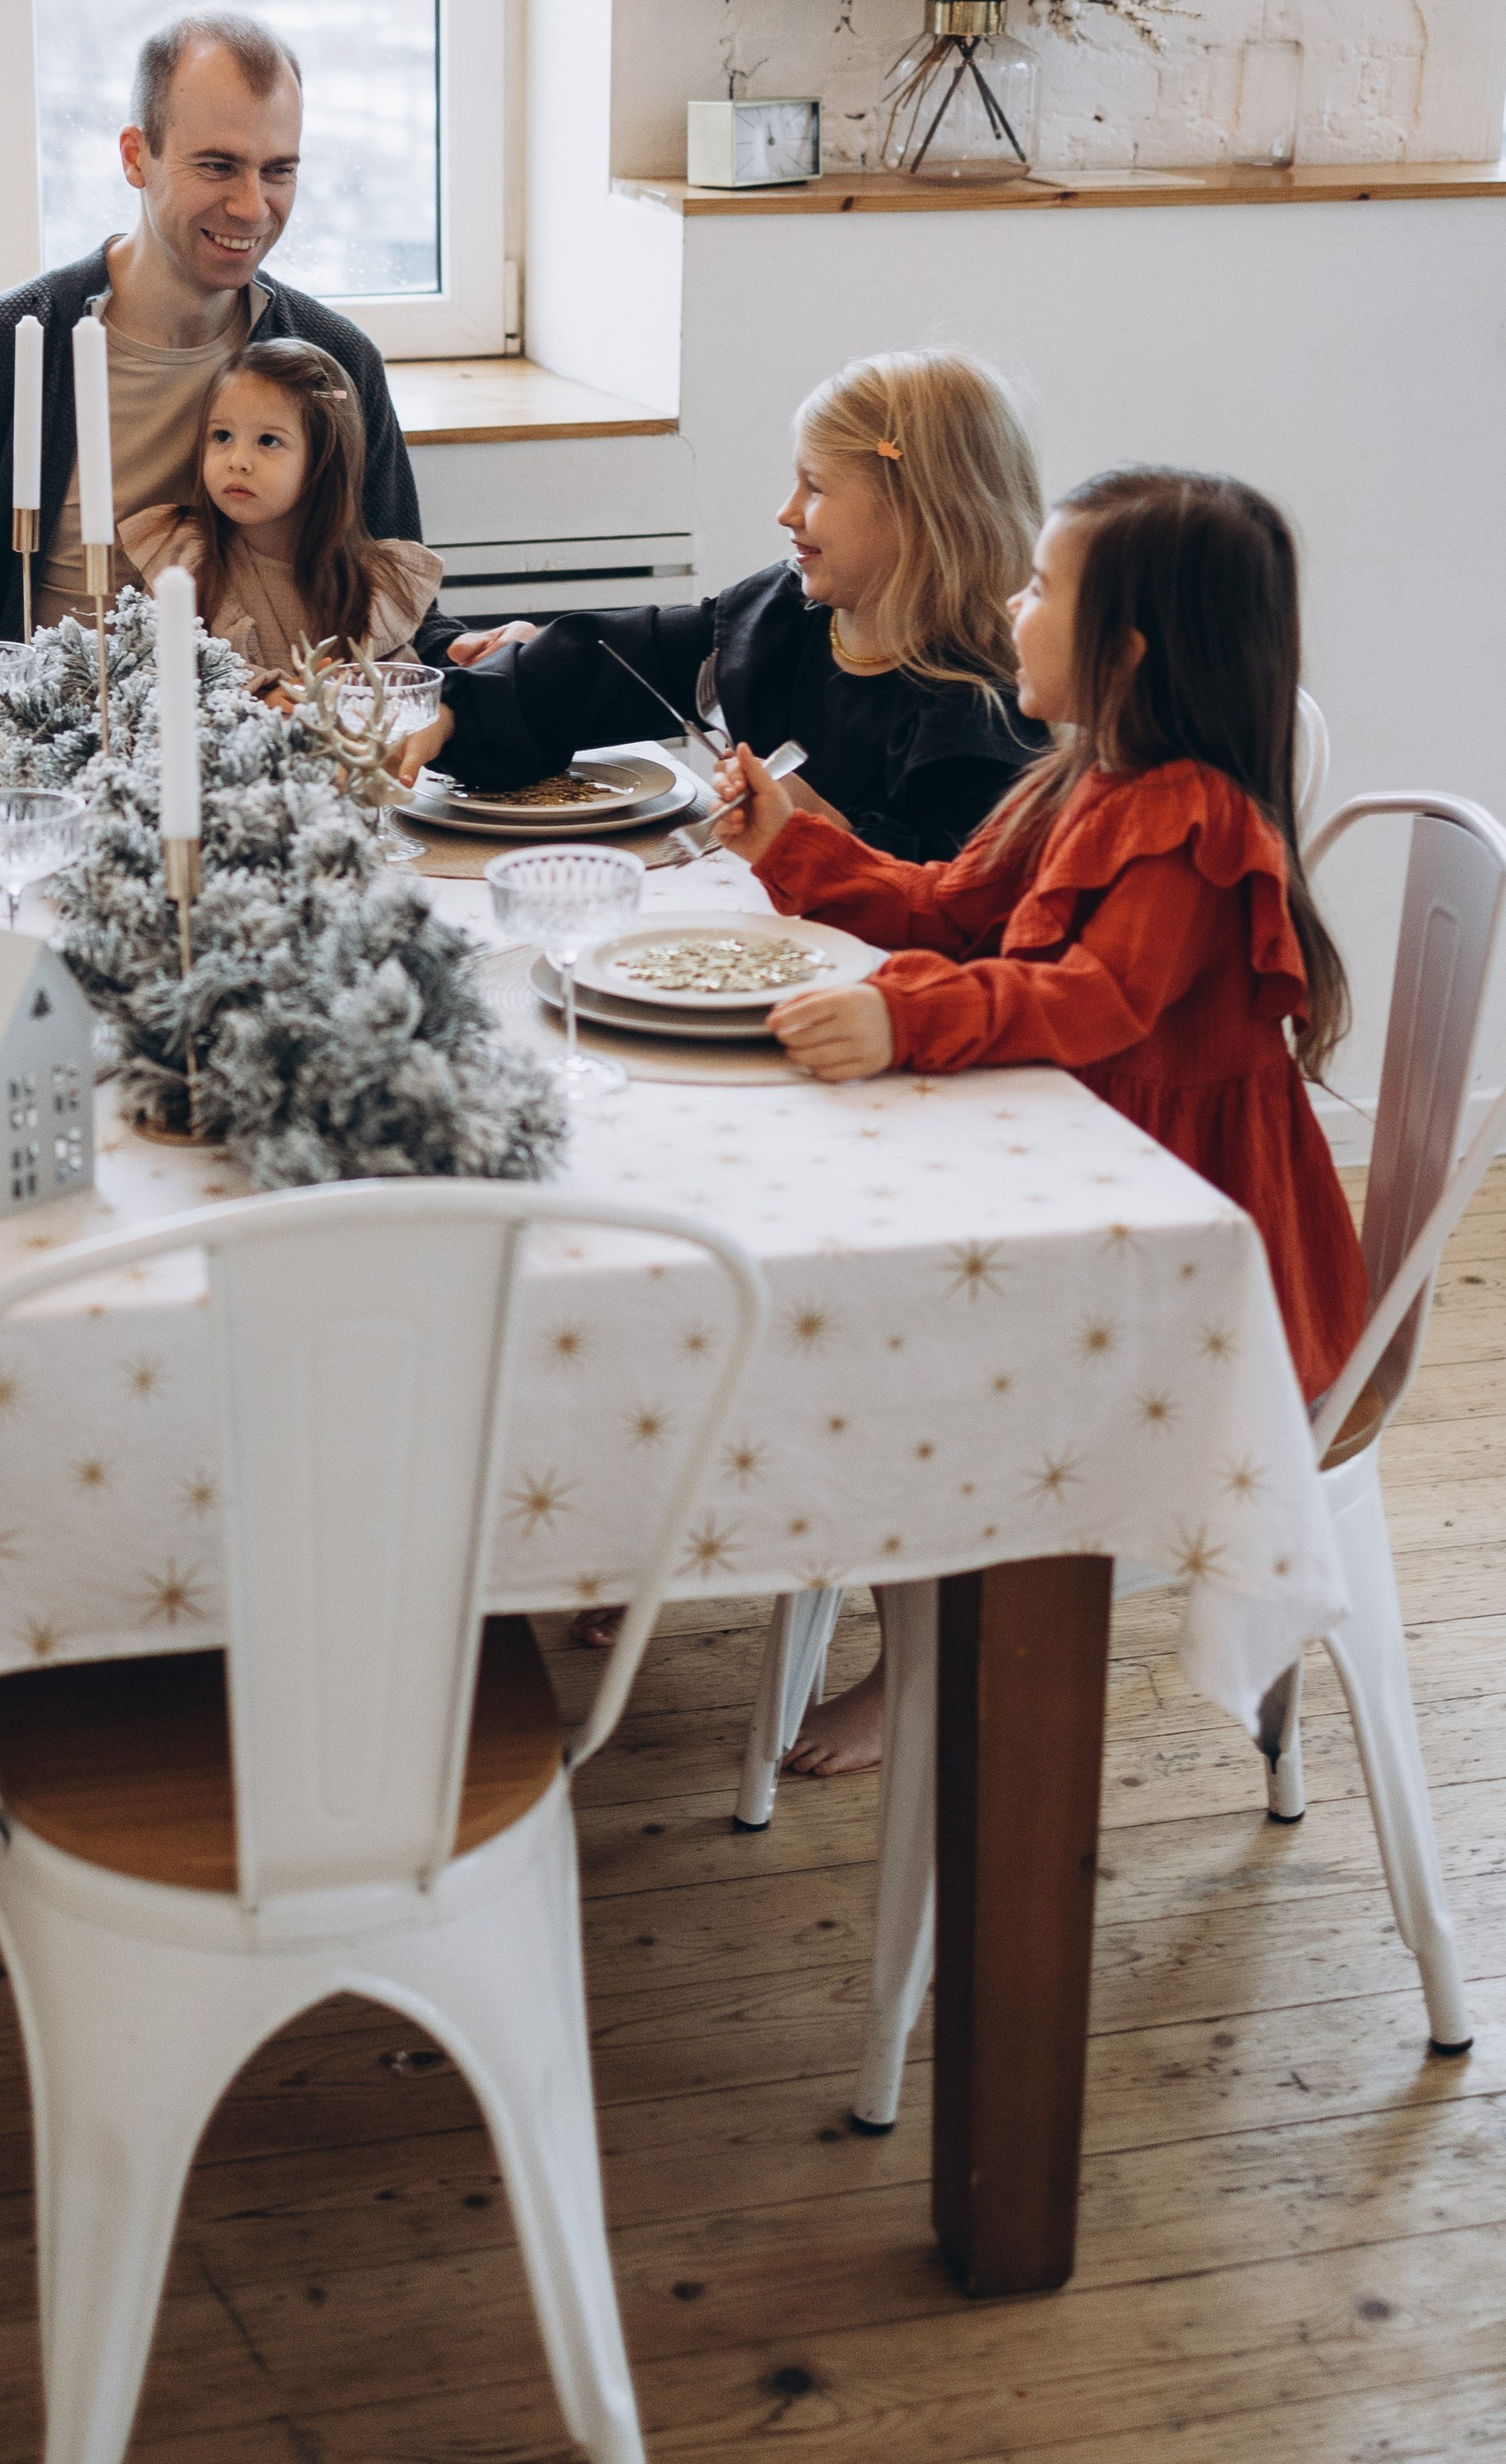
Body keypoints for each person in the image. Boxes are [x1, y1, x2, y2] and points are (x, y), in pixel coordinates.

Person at [716, 466, 1366, 1773]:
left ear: (1123, 647)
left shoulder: (1192, 819)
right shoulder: (1083, 780)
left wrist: (909, 1022)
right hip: (1095, 1197)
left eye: (1037, 587)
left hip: (1184, 1267)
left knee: (915, 1351)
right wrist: (797, 845)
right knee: (885, 1310)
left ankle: (930, 1668)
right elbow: (954, 907)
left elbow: (1095, 1001)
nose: (1010, 608)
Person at [0, 11, 458, 671]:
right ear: (137, 157)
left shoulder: (335, 362)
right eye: (219, 166)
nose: (252, 207)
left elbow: (390, 606)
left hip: (263, 750)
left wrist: (463, 655)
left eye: (278, 171)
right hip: (42, 751)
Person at [402, 349, 1045, 856]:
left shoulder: (979, 721)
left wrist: (818, 828)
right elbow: (615, 659)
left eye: (814, 488)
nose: (785, 512)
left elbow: (954, 908)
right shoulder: (781, 614)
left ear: (917, 514)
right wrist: (455, 710)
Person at [120, 337, 444, 675]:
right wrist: (263, 691)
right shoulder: (188, 558)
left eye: (268, 441)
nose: (238, 461)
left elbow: (400, 697)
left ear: (324, 460)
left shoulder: (372, 584)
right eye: (222, 436)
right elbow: (156, 671)